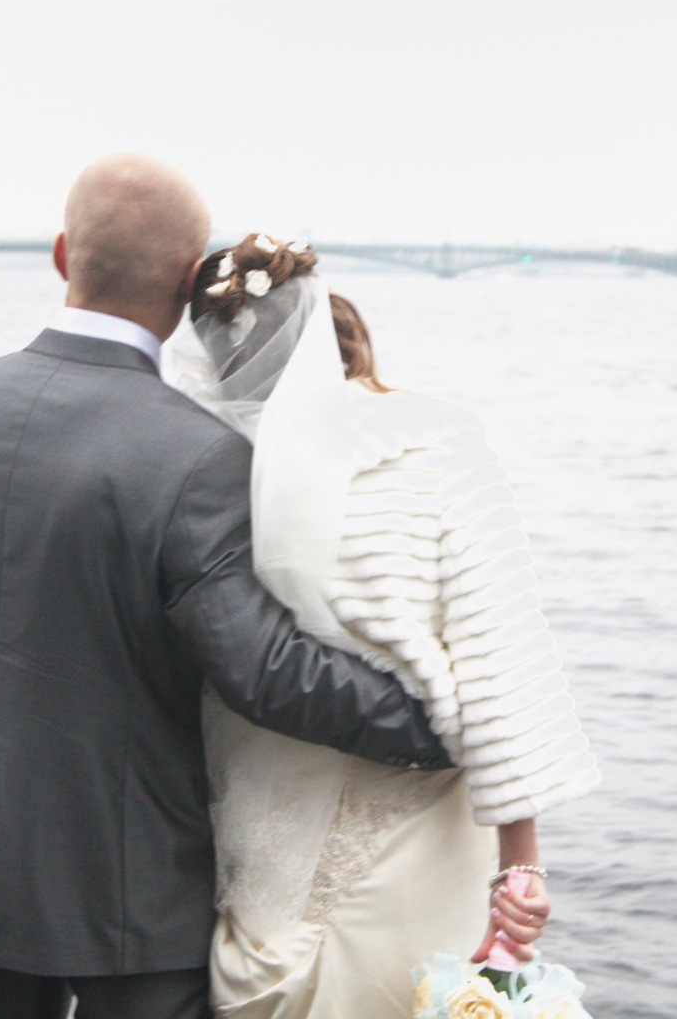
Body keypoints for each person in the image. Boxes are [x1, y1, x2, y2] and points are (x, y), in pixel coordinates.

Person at [0, 157, 456, 1019]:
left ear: (62, 253)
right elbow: (265, 672)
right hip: (136, 884)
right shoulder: (194, 454)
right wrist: (441, 728)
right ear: (191, 280)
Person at [163, 233, 601, 1018]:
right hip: (418, 824)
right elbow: (500, 653)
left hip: (255, 838)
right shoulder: (437, 445)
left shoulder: (200, 465)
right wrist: (521, 865)